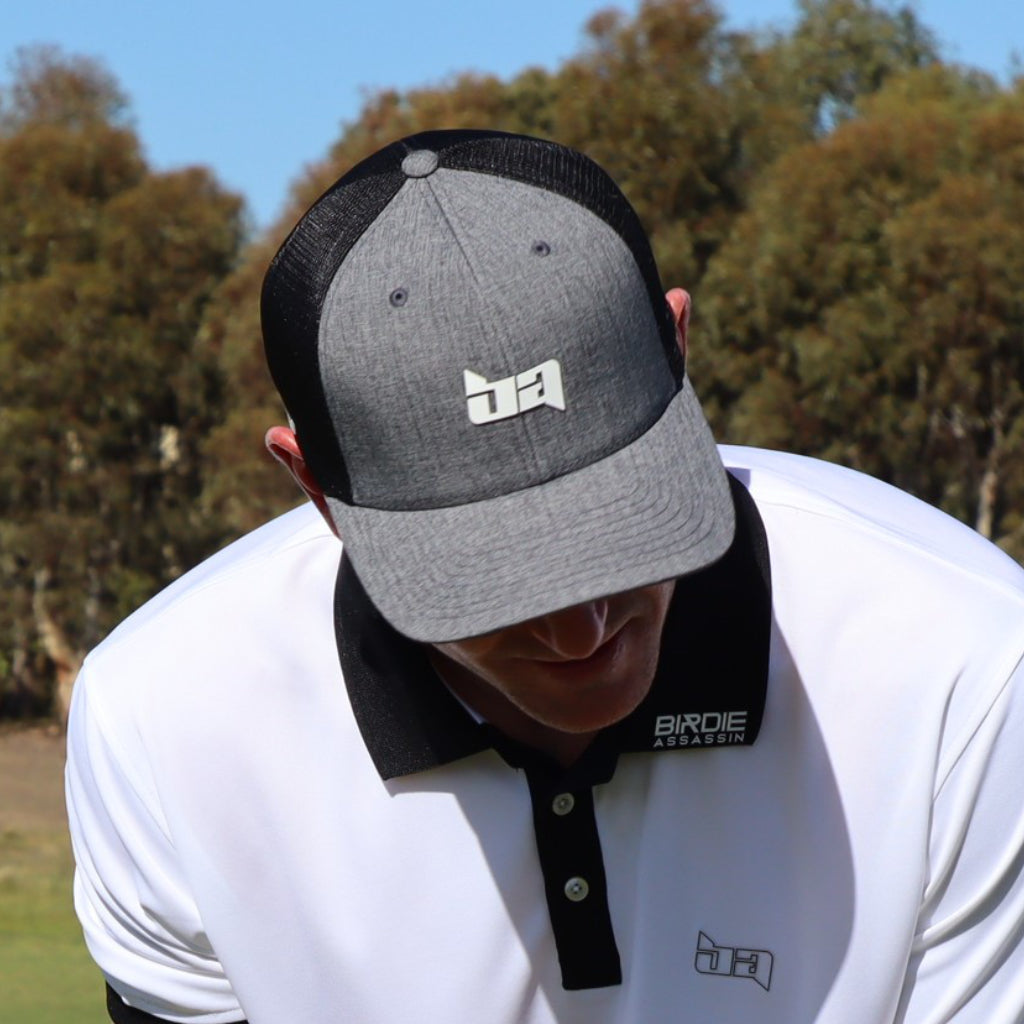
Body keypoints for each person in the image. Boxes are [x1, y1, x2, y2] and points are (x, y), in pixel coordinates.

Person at [66, 129, 1024, 1024]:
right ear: (314, 485)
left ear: (678, 348)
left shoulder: (966, 662)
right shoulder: (160, 723)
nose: (580, 631)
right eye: (486, 572)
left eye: (626, 522)